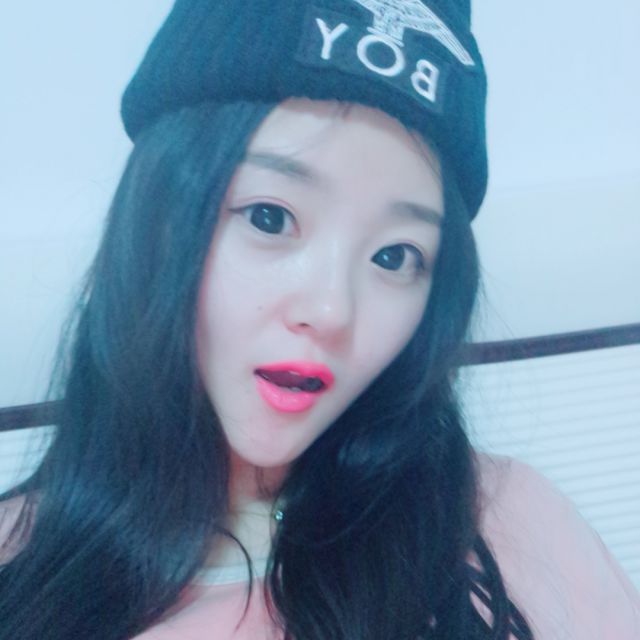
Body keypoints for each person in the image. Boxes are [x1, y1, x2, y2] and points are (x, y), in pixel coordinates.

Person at [0, 1, 638, 638]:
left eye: (395, 256)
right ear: (157, 219)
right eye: (270, 218)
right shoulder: (18, 568)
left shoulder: (509, 523)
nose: (332, 311)